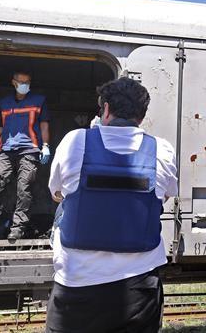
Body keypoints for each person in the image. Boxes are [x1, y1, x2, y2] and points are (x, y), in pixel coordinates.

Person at [45, 77, 177, 333]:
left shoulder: (74, 141)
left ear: (105, 109)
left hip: (76, 286)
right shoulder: (162, 150)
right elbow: (165, 195)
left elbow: (56, 192)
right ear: (142, 116)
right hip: (139, 288)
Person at [0, 70, 50, 240]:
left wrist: (46, 146)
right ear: (14, 82)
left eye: (28, 82)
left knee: (24, 189)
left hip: (30, 150)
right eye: (21, 82)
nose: (25, 85)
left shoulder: (39, 101)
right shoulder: (4, 103)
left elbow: (44, 125)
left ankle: (18, 228)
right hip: (6, 150)